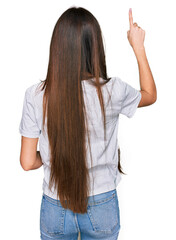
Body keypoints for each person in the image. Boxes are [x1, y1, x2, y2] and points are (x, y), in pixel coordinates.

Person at [19, 6, 157, 240]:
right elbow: (150, 95)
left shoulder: (36, 95)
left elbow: (27, 162)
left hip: (55, 206)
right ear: (95, 48)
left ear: (57, 48)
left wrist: (54, 155)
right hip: (102, 204)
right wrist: (138, 47)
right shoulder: (112, 91)